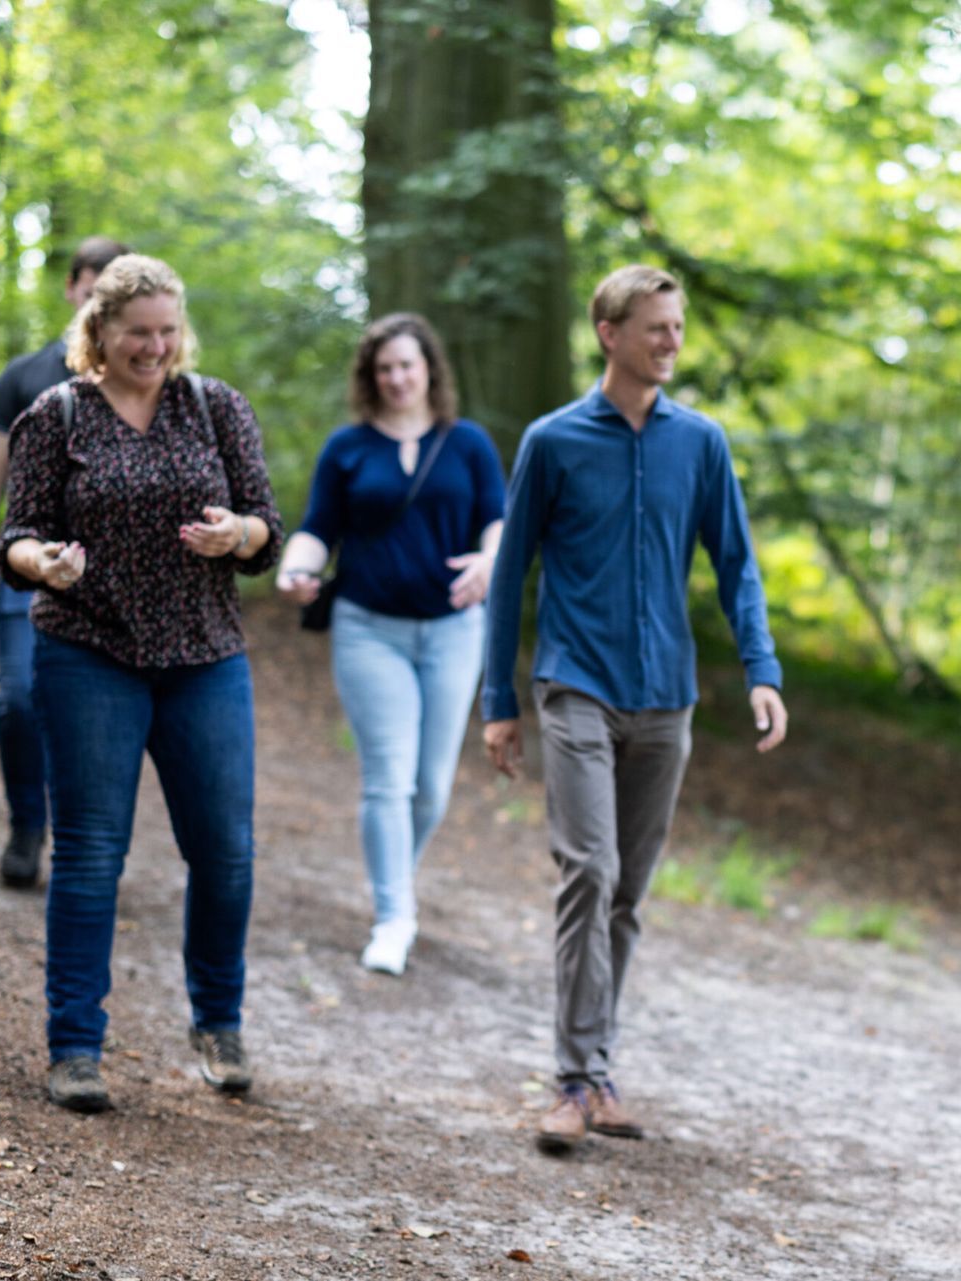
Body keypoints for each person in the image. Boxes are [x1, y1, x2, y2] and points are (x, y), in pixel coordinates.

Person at [482, 265, 789, 1155]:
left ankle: (597, 1068)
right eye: (655, 326)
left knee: (627, 891)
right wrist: (500, 699)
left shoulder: (701, 443)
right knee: (589, 868)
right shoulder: (553, 440)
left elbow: (737, 565)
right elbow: (511, 577)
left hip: (667, 701)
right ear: (609, 333)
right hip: (575, 683)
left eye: (678, 325)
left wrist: (760, 668)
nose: (671, 341)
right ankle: (574, 1079)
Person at [0, 254, 283, 1113]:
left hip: (204, 656)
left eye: (166, 332)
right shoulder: (56, 414)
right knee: (90, 855)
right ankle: (76, 1046)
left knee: (226, 853)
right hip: (90, 653)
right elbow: (15, 541)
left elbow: (268, 531)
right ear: (102, 331)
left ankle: (218, 1023)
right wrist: (42, 561)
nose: (154, 348)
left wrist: (236, 534)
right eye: (137, 334)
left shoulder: (216, 406)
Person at [275, 314, 506, 976]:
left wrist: (491, 561)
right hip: (368, 627)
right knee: (388, 778)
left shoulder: (467, 443)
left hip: (455, 628)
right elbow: (318, 527)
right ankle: (393, 916)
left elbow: (499, 518)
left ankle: (392, 878)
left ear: (430, 367)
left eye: (407, 364)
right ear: (369, 378)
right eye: (384, 369)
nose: (397, 378)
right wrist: (297, 566)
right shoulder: (348, 447)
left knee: (430, 787)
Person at [0, 236, 130, 888]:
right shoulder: (25, 376)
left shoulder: (137, 377)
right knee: (21, 698)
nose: (97, 296)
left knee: (104, 711)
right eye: (92, 283)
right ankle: (28, 822)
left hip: (114, 582)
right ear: (72, 286)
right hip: (28, 566)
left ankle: (90, 837)